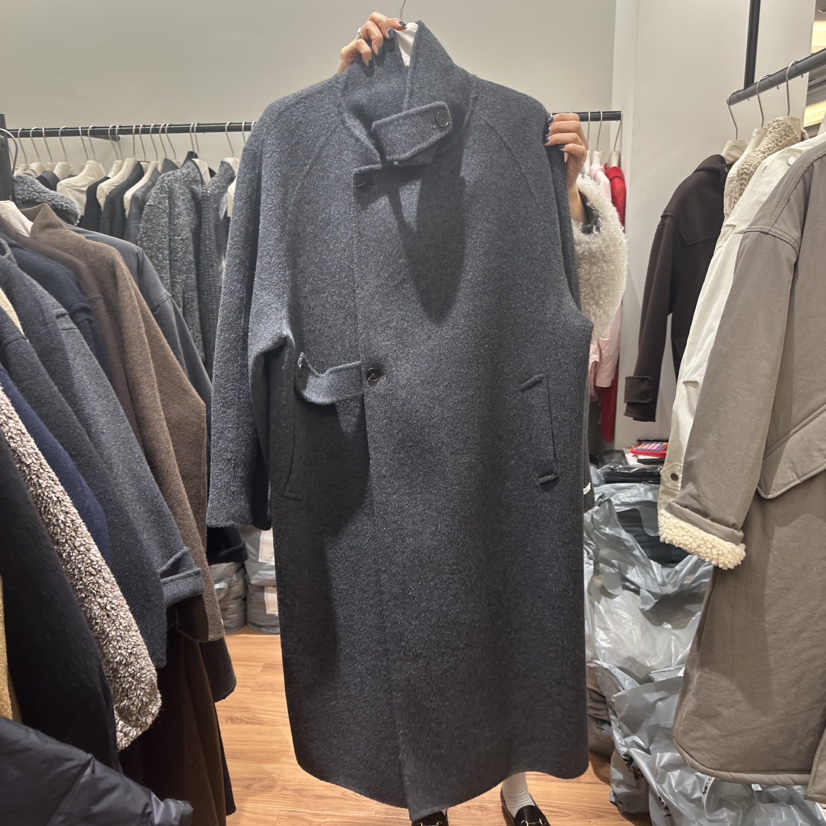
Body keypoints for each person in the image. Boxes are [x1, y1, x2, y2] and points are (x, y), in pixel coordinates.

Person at [328, 14, 627, 826]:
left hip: (503, 424)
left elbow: (586, 314)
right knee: (423, 623)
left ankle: (515, 784)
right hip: (395, 432)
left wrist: (566, 195)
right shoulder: (338, 145)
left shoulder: (514, 134)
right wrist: (347, 105)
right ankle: (426, 790)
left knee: (510, 609)